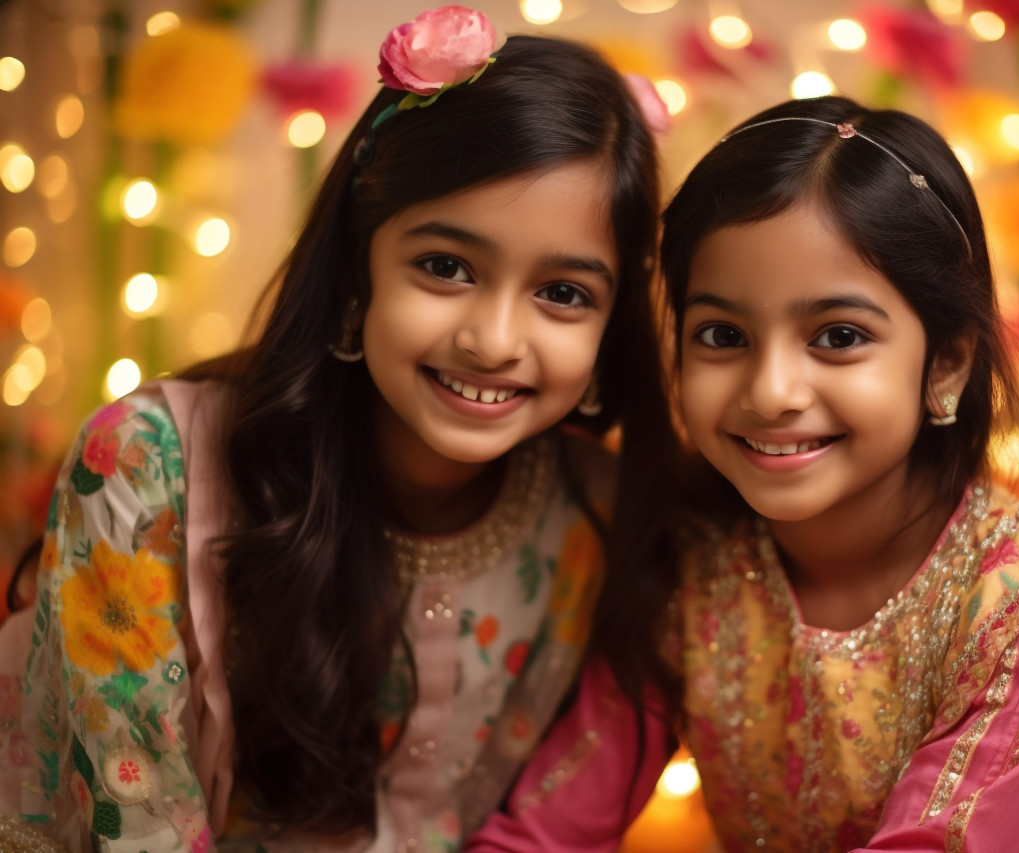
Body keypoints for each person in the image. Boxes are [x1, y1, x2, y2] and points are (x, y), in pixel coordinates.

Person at [468, 97, 1019, 851]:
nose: (772, 391)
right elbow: (550, 827)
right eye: (722, 334)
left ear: (945, 362)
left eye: (837, 335)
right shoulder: (689, 569)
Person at [0, 5, 676, 851]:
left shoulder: (596, 518)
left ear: (611, 325)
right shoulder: (144, 468)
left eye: (564, 293)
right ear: (357, 272)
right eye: (445, 267)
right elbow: (132, 829)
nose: (495, 340)